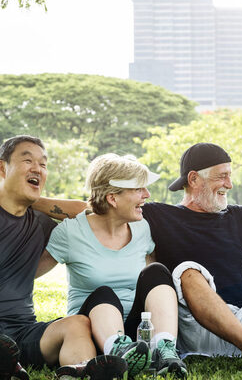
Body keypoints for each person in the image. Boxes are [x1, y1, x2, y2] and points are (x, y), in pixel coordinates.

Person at [33, 143, 242, 374]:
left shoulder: (240, 216)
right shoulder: (155, 214)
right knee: (184, 269)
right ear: (194, 180)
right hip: (196, 328)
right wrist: (22, 197)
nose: (229, 183)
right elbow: (92, 206)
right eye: (222, 175)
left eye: (230, 174)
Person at [0, 135, 127, 380]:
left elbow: (88, 212)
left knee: (78, 323)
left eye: (43, 165)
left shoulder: (41, 223)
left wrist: (33, 200)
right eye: (27, 160)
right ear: (2, 168)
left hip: (21, 334)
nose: (37, 168)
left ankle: (80, 369)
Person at [37, 153, 187, 378]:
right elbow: (26, 274)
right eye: (138, 189)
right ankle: (117, 350)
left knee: (157, 272)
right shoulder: (71, 233)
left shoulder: (141, 228)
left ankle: (164, 350)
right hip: (93, 331)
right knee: (104, 292)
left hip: (137, 338)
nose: (146, 195)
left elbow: (153, 289)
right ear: (112, 198)